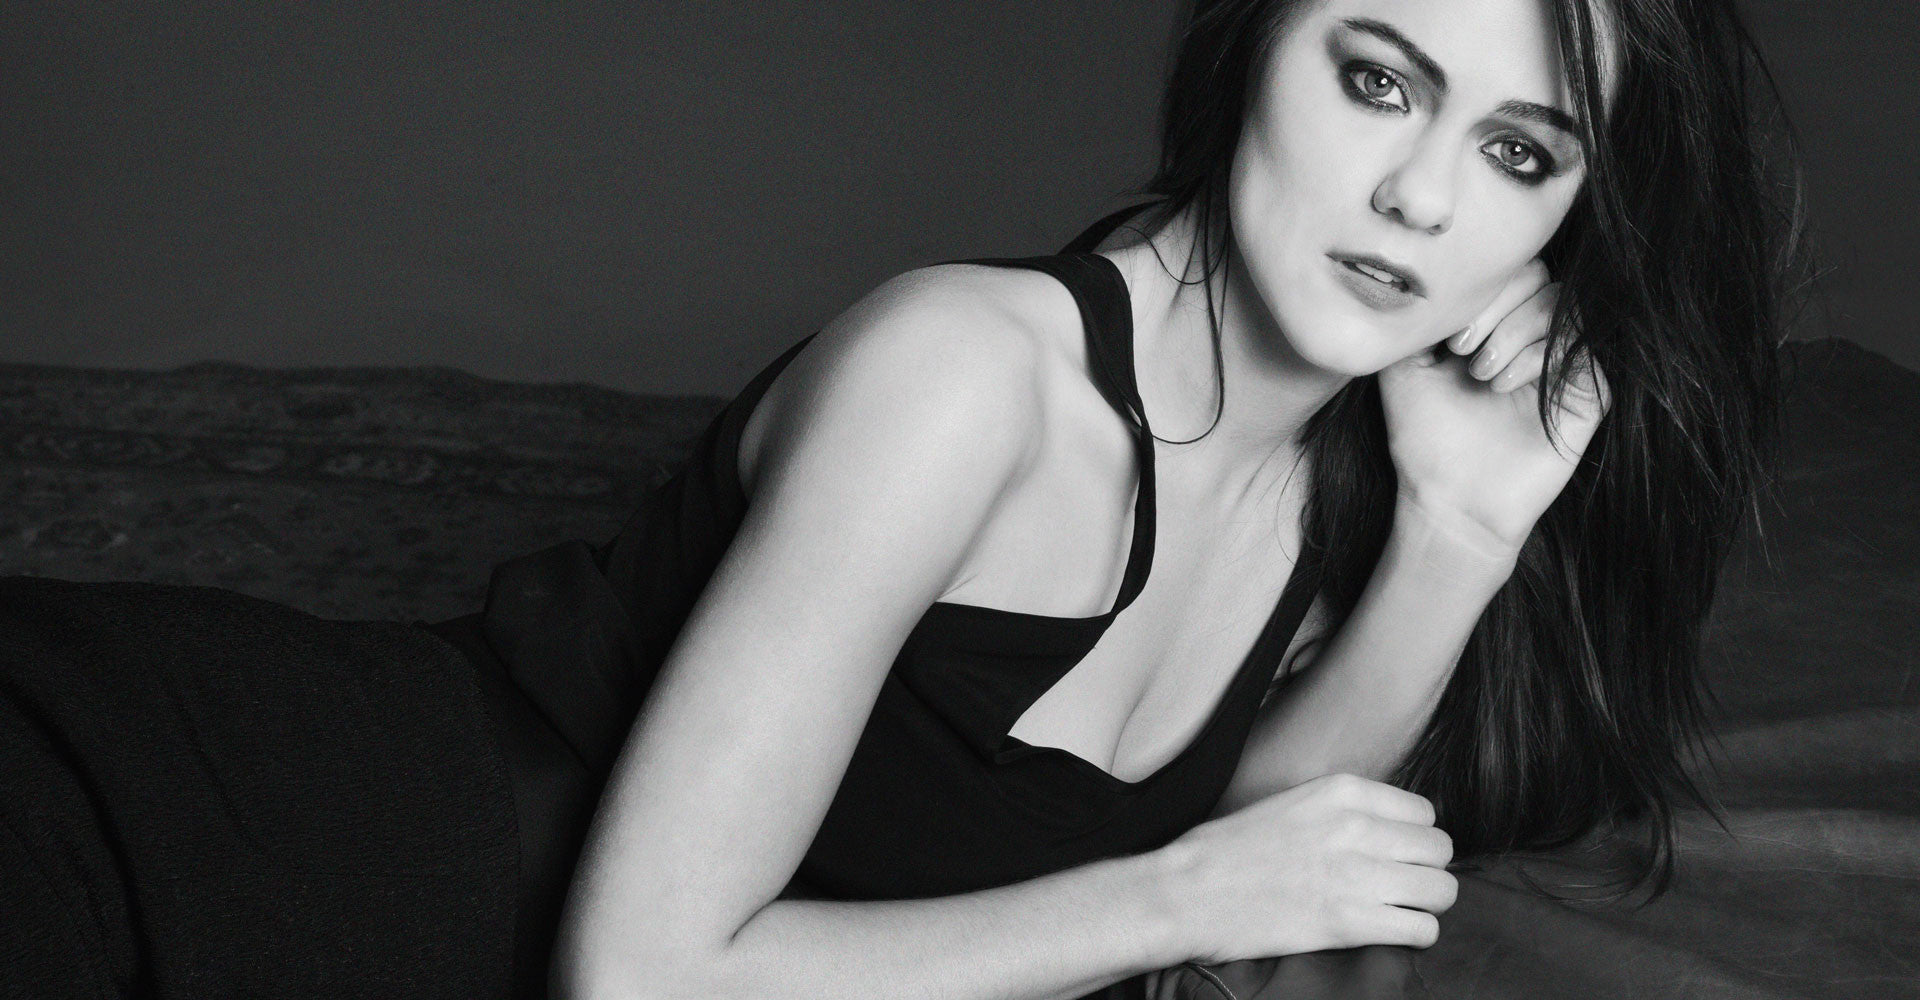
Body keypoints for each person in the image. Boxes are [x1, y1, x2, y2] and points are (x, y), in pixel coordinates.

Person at [0, 0, 1809, 996]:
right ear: (1256, 45)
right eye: (1377, 77)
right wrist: (1167, 903)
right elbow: (641, 975)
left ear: (1566, 220)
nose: (1421, 196)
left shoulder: (1338, 480)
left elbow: (1273, 837)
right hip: (186, 839)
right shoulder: (964, 377)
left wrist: (1463, 535)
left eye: (1516, 150)